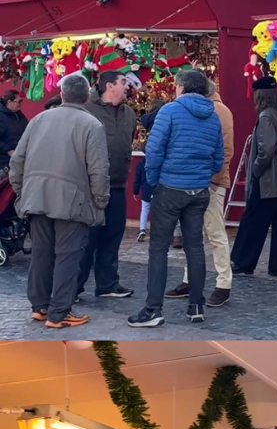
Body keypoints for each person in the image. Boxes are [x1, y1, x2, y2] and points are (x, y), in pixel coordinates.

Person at [8, 72, 108, 328]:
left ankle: (40, 306)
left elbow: (17, 160)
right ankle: (60, 312)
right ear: (87, 97)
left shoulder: (39, 119)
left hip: (36, 196)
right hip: (72, 202)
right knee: (68, 256)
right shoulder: (92, 125)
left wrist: (22, 191)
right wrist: (100, 201)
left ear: (62, 94)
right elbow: (98, 169)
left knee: (41, 253)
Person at [128, 68, 223, 328]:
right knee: (195, 247)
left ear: (180, 87)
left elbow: (154, 150)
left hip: (170, 187)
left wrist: (154, 180)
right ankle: (196, 305)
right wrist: (202, 174)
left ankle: (153, 309)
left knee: (158, 248)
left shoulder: (169, 112)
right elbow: (218, 158)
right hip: (198, 190)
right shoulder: (213, 117)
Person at [166, 80, 234, 307]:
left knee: (214, 233)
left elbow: (225, 150)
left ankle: (223, 283)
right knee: (194, 234)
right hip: (202, 180)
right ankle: (190, 279)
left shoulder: (219, 111)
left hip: (210, 182)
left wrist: (214, 181)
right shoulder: (211, 110)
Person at [230, 78, 277, 279]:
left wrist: (256, 169)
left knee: (253, 221)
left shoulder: (266, 117)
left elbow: (266, 149)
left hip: (268, 180)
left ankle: (244, 262)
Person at [78, 71, 137, 301]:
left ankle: (107, 284)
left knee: (113, 235)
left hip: (119, 183)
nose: (127, 85)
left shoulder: (128, 113)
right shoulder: (87, 111)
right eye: (123, 82)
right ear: (109, 86)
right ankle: (72, 288)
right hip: (92, 186)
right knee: (87, 239)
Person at [132, 105, 162, 242]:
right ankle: (157, 230)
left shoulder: (140, 164)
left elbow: (137, 178)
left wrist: (135, 190)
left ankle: (142, 229)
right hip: (157, 188)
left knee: (145, 209)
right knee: (158, 210)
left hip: (145, 189)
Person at [0, 89, 28, 161]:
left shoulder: (19, 115)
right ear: (9, 102)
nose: (20, 104)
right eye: (18, 102)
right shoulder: (1, 116)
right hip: (5, 161)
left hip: (20, 157)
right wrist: (8, 150)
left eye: (21, 101)